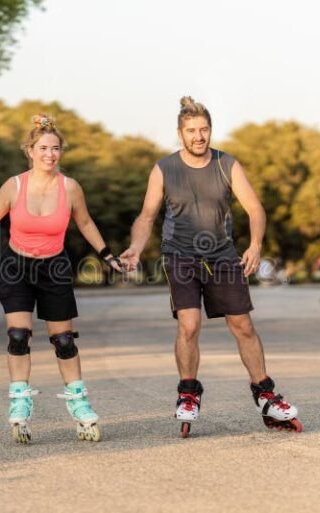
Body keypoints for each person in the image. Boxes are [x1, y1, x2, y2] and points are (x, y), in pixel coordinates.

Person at [121, 96, 302, 436]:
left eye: (204, 129)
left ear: (211, 131)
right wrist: (135, 247)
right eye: (191, 131)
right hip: (180, 255)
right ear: (180, 133)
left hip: (222, 255)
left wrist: (256, 244)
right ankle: (188, 393)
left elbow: (255, 209)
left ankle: (265, 393)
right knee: (188, 325)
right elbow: (147, 215)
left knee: (243, 325)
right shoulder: (164, 169)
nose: (199, 136)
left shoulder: (227, 164)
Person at [0, 114, 123, 444]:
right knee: (18, 335)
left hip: (54, 267)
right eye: (43, 148)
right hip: (17, 267)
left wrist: (107, 255)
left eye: (55, 149)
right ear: (30, 150)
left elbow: (85, 223)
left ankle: (80, 405)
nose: (50, 155)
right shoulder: (14, 186)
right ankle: (19, 403)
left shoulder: (70, 187)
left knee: (64, 341)